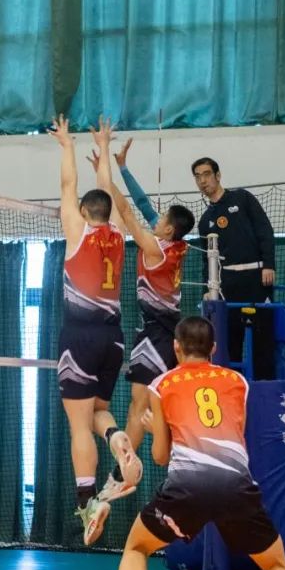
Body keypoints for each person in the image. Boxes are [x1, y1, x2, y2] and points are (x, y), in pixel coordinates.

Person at [96, 316, 285, 570]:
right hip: (236, 486)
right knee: (278, 566)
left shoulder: (161, 385)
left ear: (176, 347)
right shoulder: (237, 381)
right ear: (214, 349)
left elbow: (160, 456)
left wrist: (155, 427)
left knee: (137, 547)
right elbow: (235, 433)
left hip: (187, 487)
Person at [48, 114, 142, 545]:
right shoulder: (119, 234)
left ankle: (87, 503)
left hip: (80, 337)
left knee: (76, 426)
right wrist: (103, 148)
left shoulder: (77, 230)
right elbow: (105, 189)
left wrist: (66, 145)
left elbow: (69, 186)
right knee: (97, 413)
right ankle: (116, 437)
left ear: (85, 213)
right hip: (113, 338)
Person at [89, 140, 194, 501]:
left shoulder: (154, 249)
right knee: (146, 405)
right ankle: (131, 468)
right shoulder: (175, 244)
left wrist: (104, 178)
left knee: (140, 405)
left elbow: (127, 212)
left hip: (158, 333)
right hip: (162, 330)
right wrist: (121, 166)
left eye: (162, 220)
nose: (157, 219)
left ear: (167, 231)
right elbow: (144, 205)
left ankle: (123, 474)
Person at [192, 157, 277, 380]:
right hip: (227, 286)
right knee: (230, 343)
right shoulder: (205, 221)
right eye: (198, 177)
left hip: (256, 279)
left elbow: (265, 231)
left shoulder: (242, 198)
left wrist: (268, 264)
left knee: (263, 342)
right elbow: (206, 259)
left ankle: (265, 390)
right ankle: (233, 388)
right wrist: (208, 288)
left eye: (207, 174)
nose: (203, 181)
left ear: (218, 175)